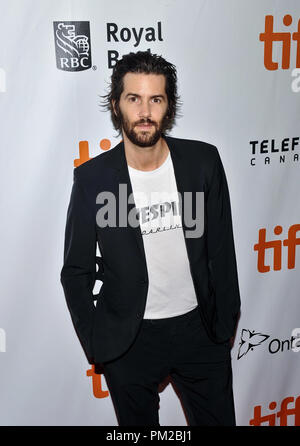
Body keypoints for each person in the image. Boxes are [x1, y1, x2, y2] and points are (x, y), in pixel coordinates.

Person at [60, 51, 241, 426]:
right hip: (130, 342)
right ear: (116, 105)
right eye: (134, 98)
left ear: (168, 106)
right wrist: (99, 343)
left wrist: (224, 325)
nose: (145, 111)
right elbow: (75, 270)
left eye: (155, 99)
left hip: (200, 333)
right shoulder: (93, 179)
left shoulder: (202, 163)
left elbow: (222, 251)